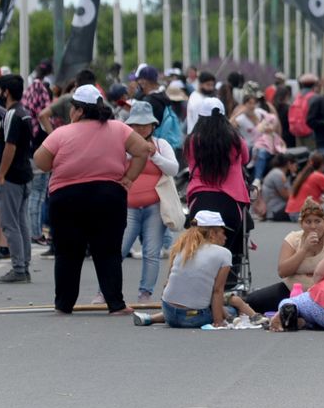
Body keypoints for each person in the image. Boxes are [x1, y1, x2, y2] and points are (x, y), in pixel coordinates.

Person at [33, 84, 152, 314]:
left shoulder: (62, 133)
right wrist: (128, 178)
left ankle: (64, 304)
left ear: (77, 110)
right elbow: (143, 150)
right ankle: (115, 304)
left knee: (67, 253)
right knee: (108, 251)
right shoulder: (118, 129)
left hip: (66, 198)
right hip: (108, 196)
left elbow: (41, 161)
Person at [134, 211, 265, 328]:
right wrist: (218, 321)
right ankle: (254, 317)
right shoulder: (223, 253)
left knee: (191, 300)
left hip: (169, 312)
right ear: (213, 233)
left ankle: (150, 318)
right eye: (223, 232)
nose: (225, 237)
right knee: (231, 309)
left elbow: (168, 283)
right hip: (195, 318)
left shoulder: (181, 247)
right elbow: (218, 291)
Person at [184, 97, 252, 292]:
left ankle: (198, 288)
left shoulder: (192, 141)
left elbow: (189, 164)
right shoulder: (235, 140)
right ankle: (226, 289)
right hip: (231, 203)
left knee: (199, 249)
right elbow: (246, 158)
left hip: (200, 201)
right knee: (226, 250)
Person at [116, 101, 179, 301]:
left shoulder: (161, 145)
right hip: (127, 207)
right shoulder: (122, 146)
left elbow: (173, 169)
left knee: (151, 252)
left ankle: (146, 293)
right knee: (117, 250)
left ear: (153, 125)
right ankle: (105, 291)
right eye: (136, 124)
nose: (141, 128)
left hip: (154, 206)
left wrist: (155, 156)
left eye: (145, 124)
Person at [242, 197, 324, 314]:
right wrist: (304, 249)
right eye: (308, 222)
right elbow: (282, 272)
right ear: (301, 224)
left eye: (317, 221)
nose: (313, 226)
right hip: (293, 289)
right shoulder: (293, 238)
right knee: (253, 300)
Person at [0, 74, 34, 285]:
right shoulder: (23, 114)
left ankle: (18, 268)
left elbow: (9, 146)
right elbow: (3, 137)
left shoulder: (12, 115)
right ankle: (24, 264)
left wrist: (1, 173)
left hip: (12, 177)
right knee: (22, 222)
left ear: (6, 92)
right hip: (24, 174)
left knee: (10, 223)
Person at [285, 151, 324, 221]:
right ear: (323, 165)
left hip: (292, 213)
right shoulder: (320, 176)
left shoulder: (302, 175)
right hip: (304, 214)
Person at [260, 152, 298, 222]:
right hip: (276, 210)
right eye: (295, 165)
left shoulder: (276, 172)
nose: (296, 167)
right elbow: (287, 196)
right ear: (289, 164)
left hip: (275, 209)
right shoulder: (278, 175)